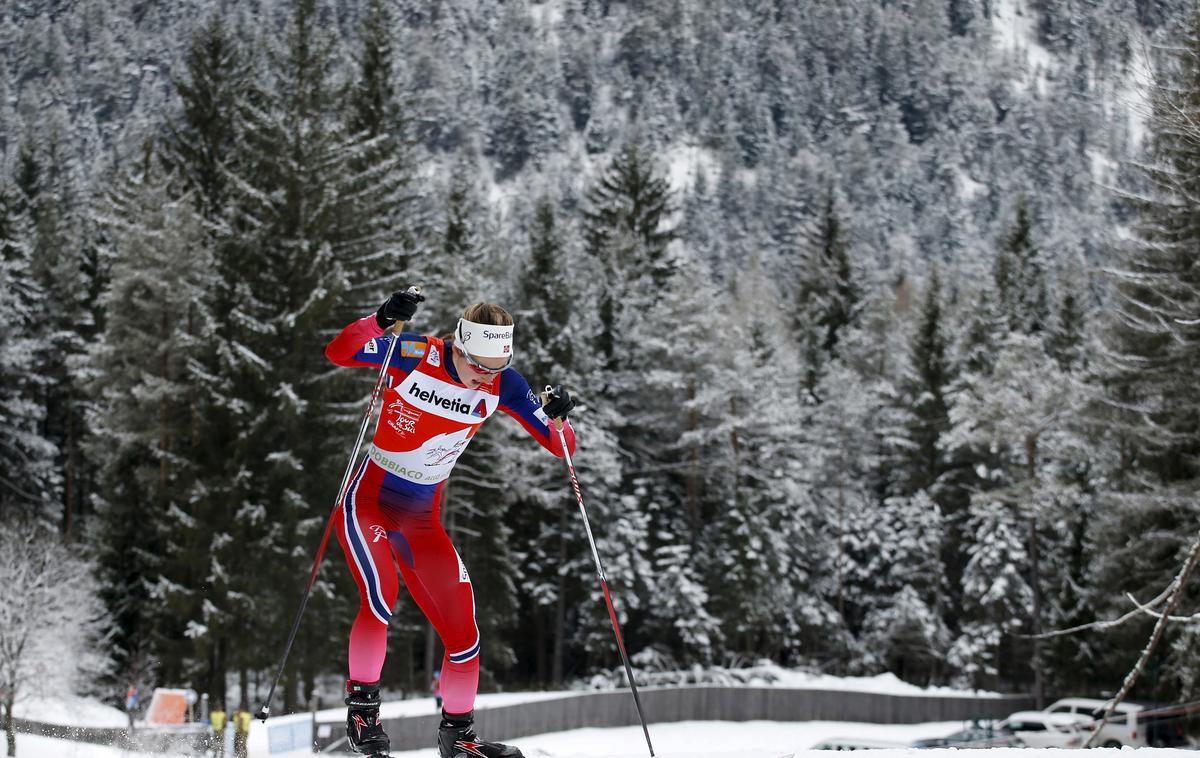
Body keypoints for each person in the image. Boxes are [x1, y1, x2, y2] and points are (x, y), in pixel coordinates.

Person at [325, 291, 576, 758]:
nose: (485, 377)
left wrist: (560, 416)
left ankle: (458, 739)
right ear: (458, 345)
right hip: (370, 503)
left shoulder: (506, 385)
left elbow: (562, 447)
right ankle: (363, 713)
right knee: (381, 600)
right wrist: (379, 320)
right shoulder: (416, 354)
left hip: (421, 520)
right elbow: (339, 352)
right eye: (477, 364)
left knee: (465, 634)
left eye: (495, 367)